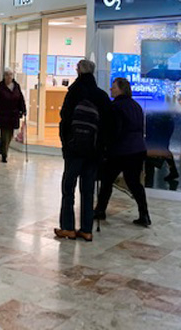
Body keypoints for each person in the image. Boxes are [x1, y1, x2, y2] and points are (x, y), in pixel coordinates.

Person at [54, 59, 111, 242]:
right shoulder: (101, 95)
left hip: (75, 149)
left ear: (79, 71)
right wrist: (102, 147)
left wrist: (66, 142)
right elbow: (109, 125)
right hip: (93, 151)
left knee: (68, 188)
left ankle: (68, 227)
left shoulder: (74, 91)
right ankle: (86, 229)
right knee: (87, 190)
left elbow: (65, 118)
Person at [93, 77, 151, 227]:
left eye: (114, 87)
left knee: (107, 180)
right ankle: (144, 214)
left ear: (120, 89)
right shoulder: (136, 106)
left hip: (121, 150)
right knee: (134, 183)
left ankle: (100, 210)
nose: (111, 89)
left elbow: (113, 130)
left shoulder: (116, 107)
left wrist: (105, 147)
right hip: (138, 149)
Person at [0, 67, 27, 163]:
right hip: (3, 114)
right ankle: (4, 154)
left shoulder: (16, 86)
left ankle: (5, 150)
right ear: (4, 76)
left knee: (10, 134)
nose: (9, 77)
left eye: (10, 75)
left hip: (13, 114)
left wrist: (23, 110)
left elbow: (21, 99)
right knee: (4, 135)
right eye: (7, 75)